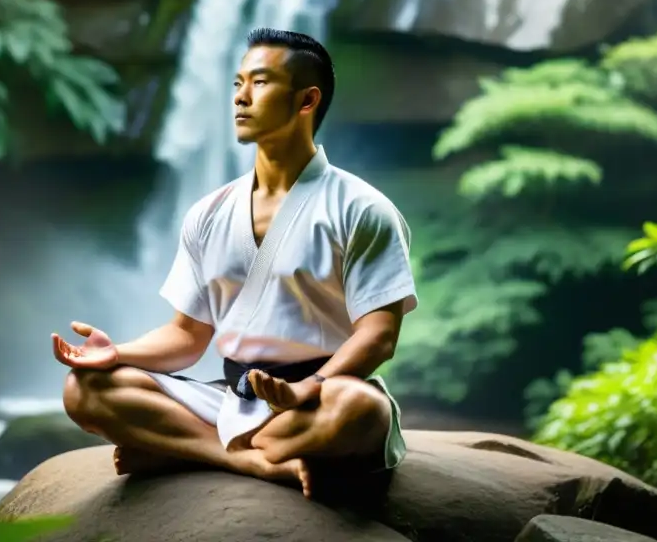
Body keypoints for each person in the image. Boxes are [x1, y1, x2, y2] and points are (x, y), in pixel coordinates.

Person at [54, 28, 417, 497]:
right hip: (229, 398)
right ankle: (252, 460)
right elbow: (187, 337)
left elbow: (378, 334)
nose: (241, 98)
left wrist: (313, 385)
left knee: (363, 411)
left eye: (260, 83)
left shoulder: (361, 209)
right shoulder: (209, 211)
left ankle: (182, 449)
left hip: (319, 396)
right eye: (237, 83)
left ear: (307, 101)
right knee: (82, 388)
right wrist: (115, 353)